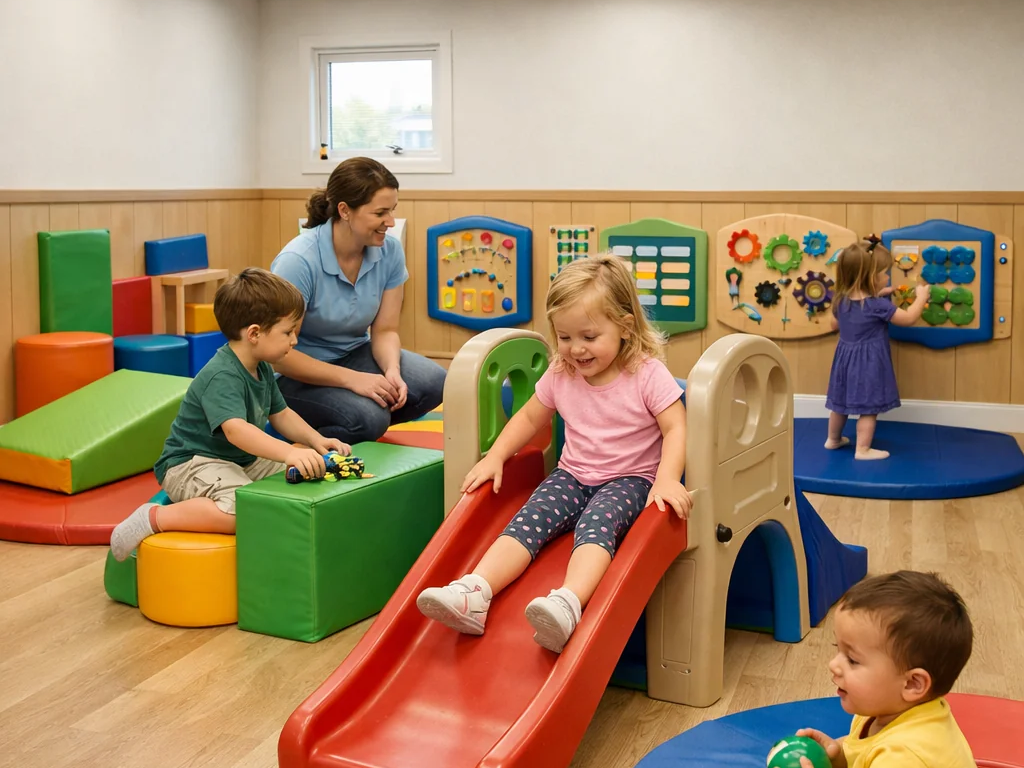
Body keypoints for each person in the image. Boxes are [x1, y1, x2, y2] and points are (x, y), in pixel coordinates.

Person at [415, 255, 693, 654]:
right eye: (564, 337)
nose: (576, 349)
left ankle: (568, 602)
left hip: (631, 479)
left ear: (625, 327)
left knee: (597, 525)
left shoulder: (646, 374)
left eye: (589, 336)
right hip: (573, 475)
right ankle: (474, 592)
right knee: (527, 520)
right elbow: (529, 417)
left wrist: (667, 478)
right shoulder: (562, 372)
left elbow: (675, 426)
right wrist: (496, 456)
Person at [767, 571, 1007, 768]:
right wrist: (838, 753)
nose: (834, 665)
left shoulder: (909, 753)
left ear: (912, 684)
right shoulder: (889, 711)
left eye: (852, 660)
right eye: (837, 651)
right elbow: (870, 752)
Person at [110, 269, 348, 560]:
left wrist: (316, 440)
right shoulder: (222, 375)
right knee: (244, 511)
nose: (294, 340)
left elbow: (281, 414)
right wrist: (288, 452)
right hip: (191, 463)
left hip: (238, 461)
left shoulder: (260, 367)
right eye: (288, 332)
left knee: (300, 477)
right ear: (254, 334)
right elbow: (236, 431)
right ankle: (154, 517)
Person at [270, 157, 446, 444]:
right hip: (292, 374)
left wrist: (392, 371)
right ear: (345, 211)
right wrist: (353, 381)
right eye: (380, 213)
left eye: (392, 211)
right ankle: (305, 441)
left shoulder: (389, 251)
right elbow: (278, 355)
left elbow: (385, 330)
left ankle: (354, 423)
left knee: (434, 383)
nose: (390, 222)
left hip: (354, 355)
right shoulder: (298, 261)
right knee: (369, 418)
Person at [824, 240, 928, 460]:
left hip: (844, 362)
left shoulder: (841, 300)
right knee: (869, 408)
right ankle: (862, 450)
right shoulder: (878, 306)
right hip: (868, 364)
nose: (887, 277)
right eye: (884, 274)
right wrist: (920, 298)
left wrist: (881, 293)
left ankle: (833, 439)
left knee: (840, 404)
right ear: (869, 278)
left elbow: (834, 325)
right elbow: (908, 318)